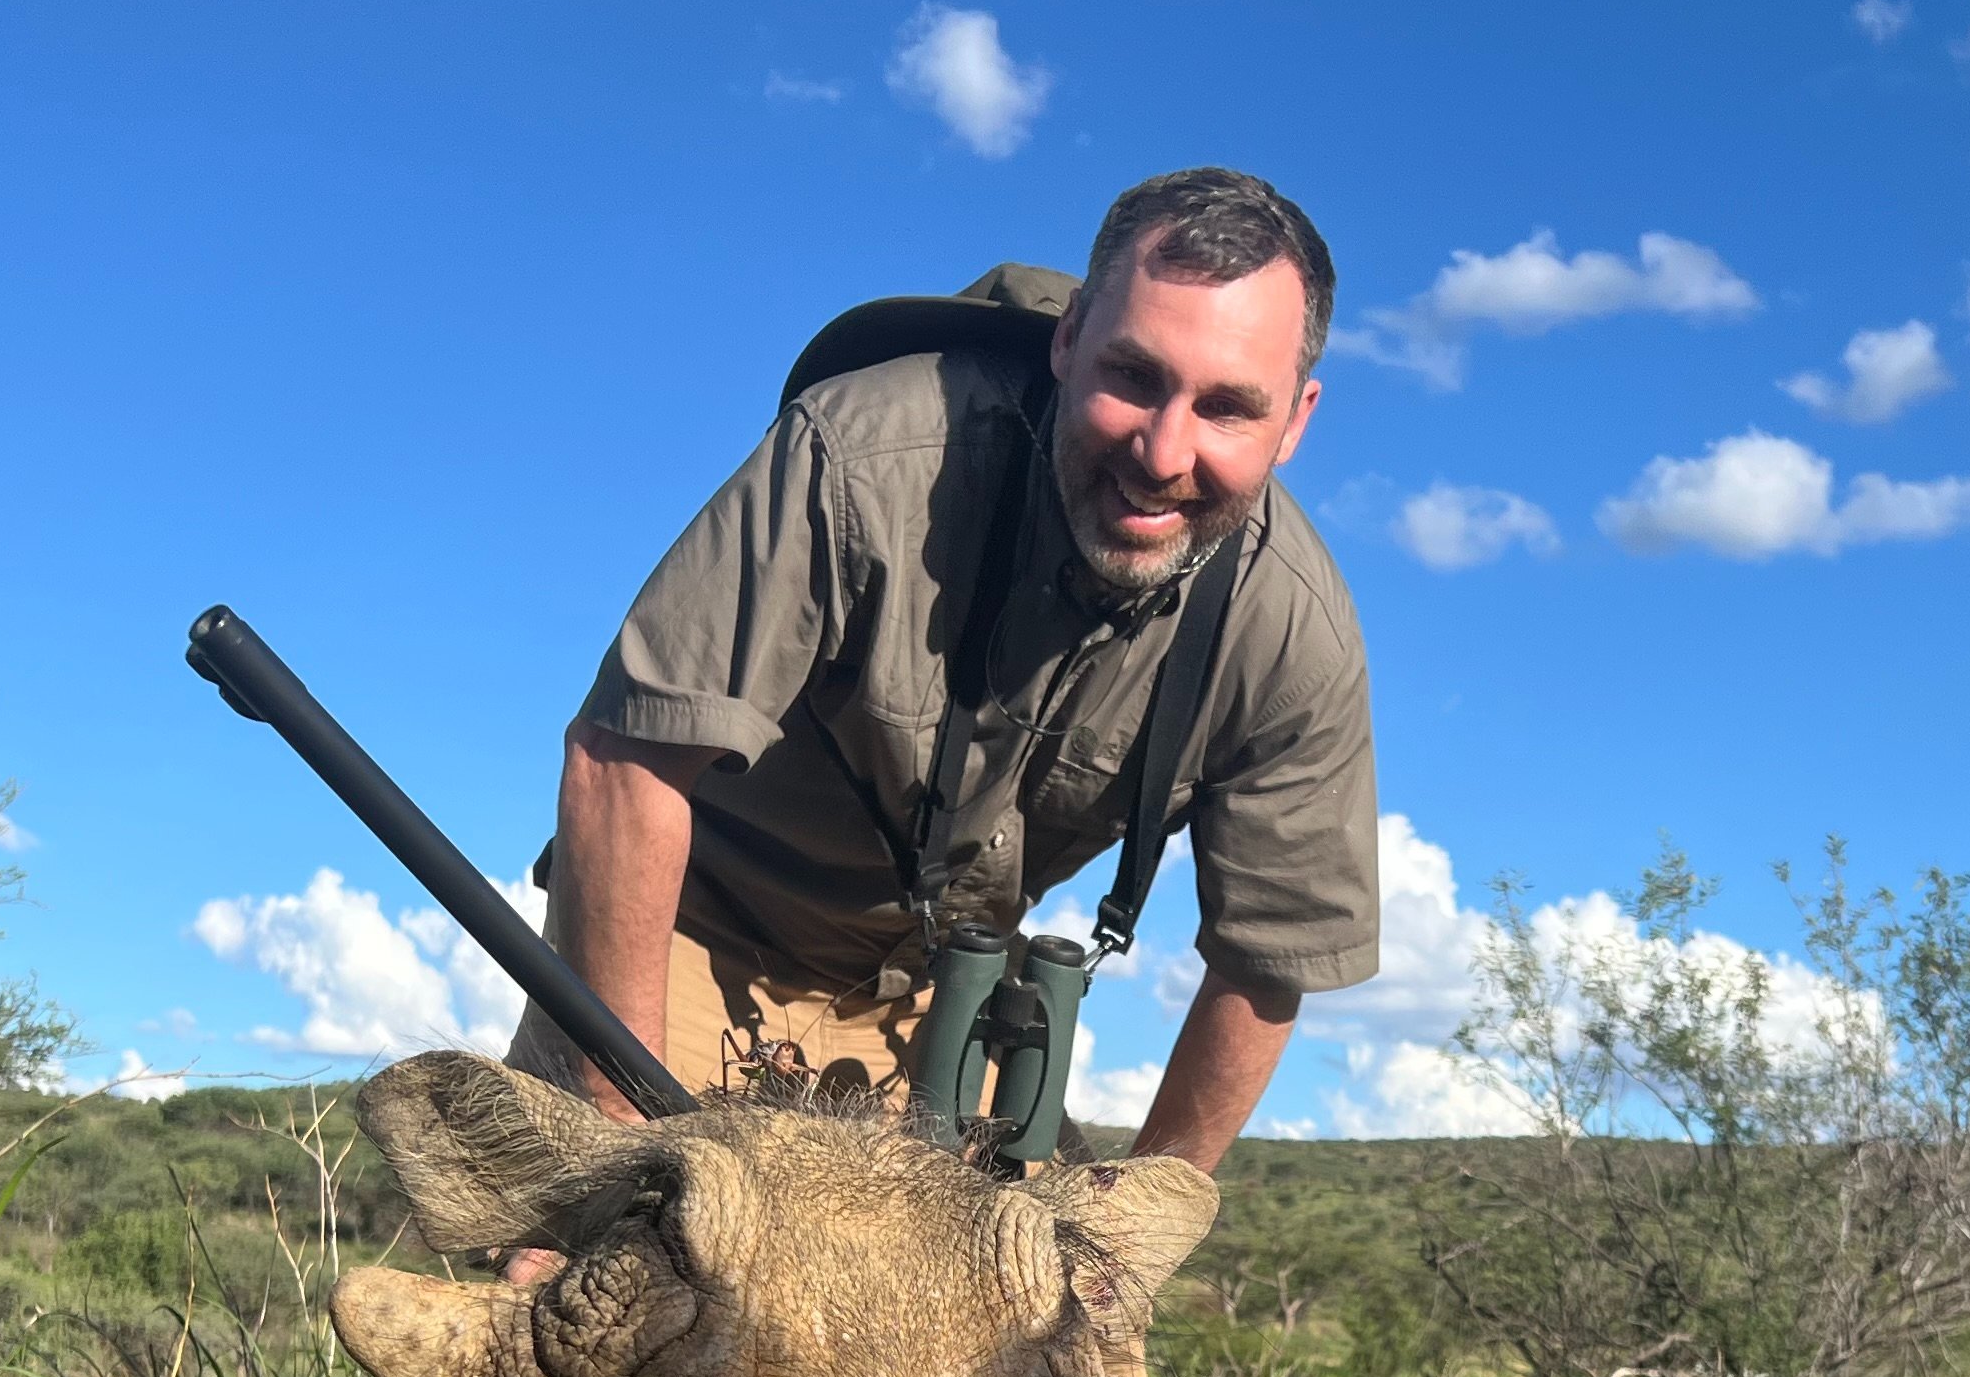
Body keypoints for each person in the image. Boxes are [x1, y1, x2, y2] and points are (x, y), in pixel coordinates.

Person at [517, 166, 1378, 1171]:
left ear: (1296, 420)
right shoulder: (861, 455)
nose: (1162, 451)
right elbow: (624, 764)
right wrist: (620, 1139)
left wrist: (1131, 1246)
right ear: (1069, 340)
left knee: (1042, 1320)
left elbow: (1268, 960)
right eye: (1133, 376)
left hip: (948, 999)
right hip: (687, 942)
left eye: (1228, 407)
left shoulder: (1293, 630)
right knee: (590, 1298)